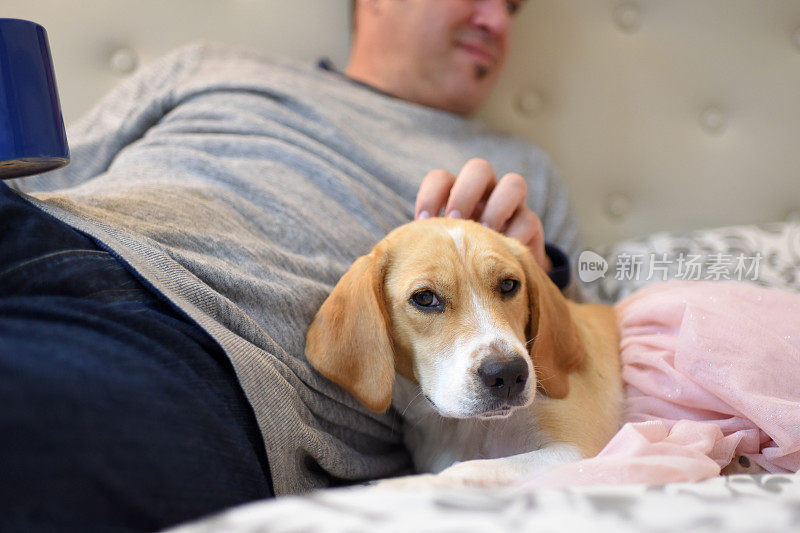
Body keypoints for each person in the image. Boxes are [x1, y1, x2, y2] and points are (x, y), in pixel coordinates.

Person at [0, 0, 581, 530]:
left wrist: (530, 272)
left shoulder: (520, 170)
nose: (498, 22)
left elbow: (579, 361)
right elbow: (35, 167)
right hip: (42, 227)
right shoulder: (204, 67)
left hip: (200, 336)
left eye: (511, 7)